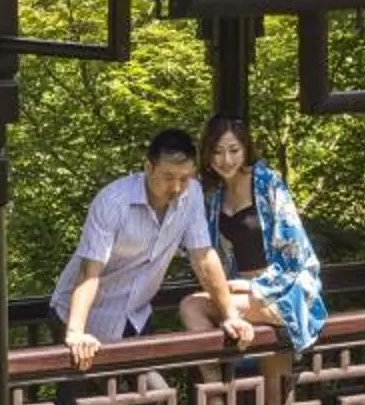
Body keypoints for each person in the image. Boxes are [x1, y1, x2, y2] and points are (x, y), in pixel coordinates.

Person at [51, 128, 259, 370]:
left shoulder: (191, 195)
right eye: (168, 177)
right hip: (81, 315)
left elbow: (203, 258)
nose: (177, 187)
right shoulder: (113, 202)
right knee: (73, 402)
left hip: (134, 314)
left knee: (155, 399)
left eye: (185, 177)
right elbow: (89, 272)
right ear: (148, 167)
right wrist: (76, 331)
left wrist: (230, 315)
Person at [179, 114, 326, 391]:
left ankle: (224, 396)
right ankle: (216, 393)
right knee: (191, 306)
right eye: (217, 151)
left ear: (246, 149)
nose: (226, 160)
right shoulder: (213, 195)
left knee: (278, 402)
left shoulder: (268, 184)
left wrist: (253, 284)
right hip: (238, 295)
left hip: (282, 291)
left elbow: (296, 252)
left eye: (234, 150)